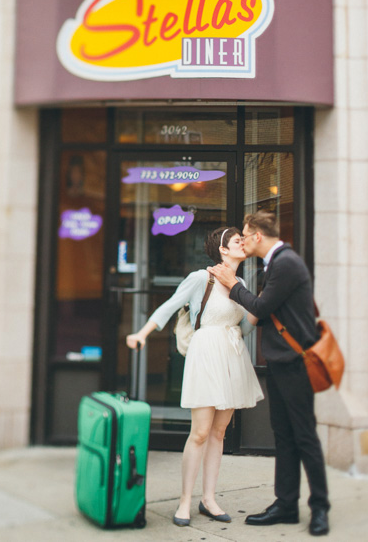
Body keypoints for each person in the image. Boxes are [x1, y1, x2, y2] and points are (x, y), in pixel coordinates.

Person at [126, 226, 262, 526]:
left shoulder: (240, 282)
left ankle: (209, 499)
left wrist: (259, 304)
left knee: (219, 432)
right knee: (200, 432)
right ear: (223, 249)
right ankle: (185, 501)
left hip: (232, 355)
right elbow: (169, 305)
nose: (243, 244)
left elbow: (245, 329)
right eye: (237, 241)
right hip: (206, 354)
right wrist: (142, 333)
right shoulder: (203, 278)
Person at [208, 211, 330, 537]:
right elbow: (265, 312)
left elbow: (261, 309)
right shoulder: (274, 264)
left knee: (304, 436)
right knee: (284, 436)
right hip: (280, 361)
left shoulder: (286, 263)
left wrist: (233, 286)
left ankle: (320, 509)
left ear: (257, 237)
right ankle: (286, 505)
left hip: (296, 363)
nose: (243, 240)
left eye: (245, 236)